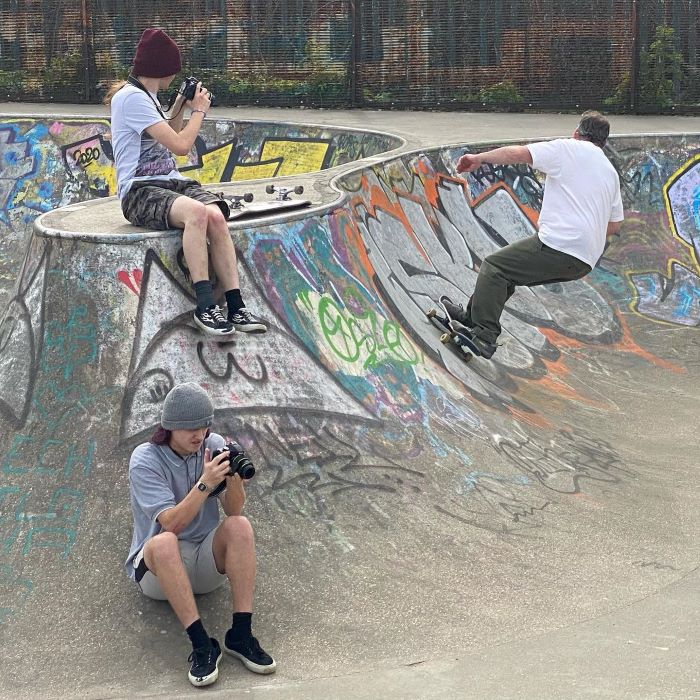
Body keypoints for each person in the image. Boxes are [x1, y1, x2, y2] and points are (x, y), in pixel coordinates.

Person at [105, 28, 267, 337]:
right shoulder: (130, 98)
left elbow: (167, 137)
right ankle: (205, 306)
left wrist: (179, 104)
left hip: (169, 182)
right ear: (163, 69)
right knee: (197, 214)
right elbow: (181, 145)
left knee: (216, 214)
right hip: (138, 191)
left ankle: (236, 305)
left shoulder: (147, 96)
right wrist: (199, 112)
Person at [125, 382, 276, 687]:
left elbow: (234, 511)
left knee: (240, 526)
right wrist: (205, 483)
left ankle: (241, 635)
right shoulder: (145, 459)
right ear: (169, 428)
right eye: (190, 428)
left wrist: (232, 478)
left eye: (204, 426)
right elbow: (171, 524)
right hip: (158, 572)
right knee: (166, 541)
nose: (199, 434)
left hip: (205, 564)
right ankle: (201, 645)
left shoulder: (212, 444)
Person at [446, 110, 624, 359]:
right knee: (507, 274)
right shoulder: (610, 172)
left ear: (576, 133)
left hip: (559, 246)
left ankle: (485, 334)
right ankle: (473, 317)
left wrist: (479, 158)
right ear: (603, 142)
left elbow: (519, 153)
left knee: (494, 267)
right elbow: (615, 226)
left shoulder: (568, 148)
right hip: (583, 261)